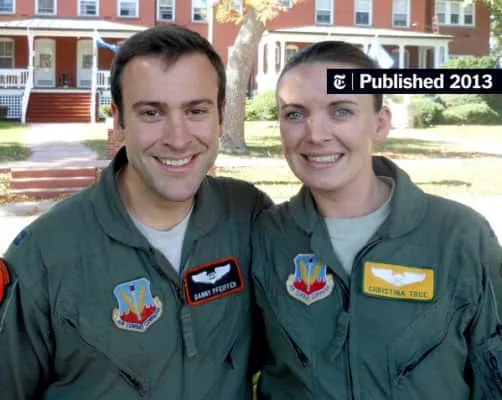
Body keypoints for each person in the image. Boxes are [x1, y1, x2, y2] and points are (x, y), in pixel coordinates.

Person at [0, 24, 272, 399]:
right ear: (118, 119)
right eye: (151, 113)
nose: (178, 139)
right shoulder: (44, 254)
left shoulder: (250, 217)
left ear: (220, 115)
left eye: (196, 110)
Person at [251, 41, 502, 399]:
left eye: (341, 111)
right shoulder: (265, 235)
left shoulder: (460, 235)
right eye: (294, 114)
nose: (316, 134)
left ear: (380, 123)